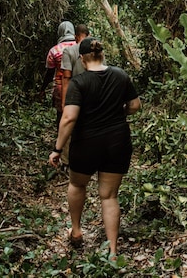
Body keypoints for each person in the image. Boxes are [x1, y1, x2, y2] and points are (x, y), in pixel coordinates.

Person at [48, 38, 141, 259]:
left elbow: (69, 118)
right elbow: (135, 105)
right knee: (109, 196)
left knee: (77, 185)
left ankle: (77, 231)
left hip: (86, 143)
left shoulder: (79, 83)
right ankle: (112, 251)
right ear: (102, 54)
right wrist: (118, 113)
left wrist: (58, 149)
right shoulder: (120, 75)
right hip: (117, 142)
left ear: (82, 58)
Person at [40, 21, 76, 116]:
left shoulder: (54, 50)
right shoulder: (80, 46)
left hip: (61, 88)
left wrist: (42, 89)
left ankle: (61, 130)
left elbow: (50, 73)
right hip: (79, 85)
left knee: (61, 115)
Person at [60, 23, 91, 110]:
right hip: (94, 97)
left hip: (76, 96)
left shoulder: (69, 51)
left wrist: (64, 103)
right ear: (89, 35)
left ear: (75, 36)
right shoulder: (97, 51)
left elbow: (66, 78)